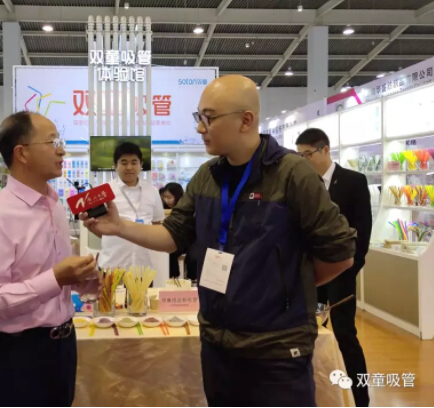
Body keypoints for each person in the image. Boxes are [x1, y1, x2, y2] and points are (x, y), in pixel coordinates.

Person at [82, 75, 357, 406]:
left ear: (246, 120)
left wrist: (284, 289)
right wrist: (119, 227)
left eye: (209, 118)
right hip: (217, 344)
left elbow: (340, 253)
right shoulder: (207, 176)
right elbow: (173, 234)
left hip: (276, 349)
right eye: (199, 117)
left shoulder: (292, 174)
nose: (201, 128)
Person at [0, 111, 102, 407]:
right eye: (52, 142)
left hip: (63, 346)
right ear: (22, 153)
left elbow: (55, 276)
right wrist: (56, 279)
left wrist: (83, 281)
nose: (61, 150)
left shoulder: (54, 206)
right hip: (17, 357)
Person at [296, 128, 372, 407]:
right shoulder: (301, 183)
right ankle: (315, 396)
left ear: (325, 150)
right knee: (310, 334)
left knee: (345, 335)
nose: (304, 161)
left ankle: (361, 399)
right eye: (299, 156)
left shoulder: (353, 181)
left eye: (307, 154)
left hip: (341, 275)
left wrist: (348, 270)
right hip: (310, 277)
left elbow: (362, 232)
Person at [98, 142, 165, 270]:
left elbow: (156, 224)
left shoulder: (152, 191)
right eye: (124, 163)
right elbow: (98, 225)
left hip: (144, 268)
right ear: (115, 166)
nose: (129, 167)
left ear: (141, 165)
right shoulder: (104, 191)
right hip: (112, 266)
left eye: (134, 162)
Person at [161, 183, 186, 278]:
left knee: (171, 250)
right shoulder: (163, 208)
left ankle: (173, 276)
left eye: (169, 197)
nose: (166, 200)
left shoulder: (184, 208)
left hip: (183, 240)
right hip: (169, 238)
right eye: (165, 197)